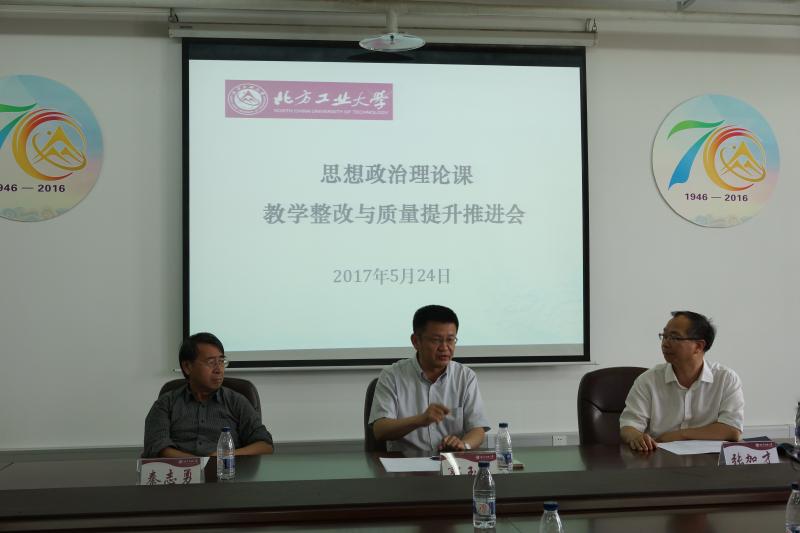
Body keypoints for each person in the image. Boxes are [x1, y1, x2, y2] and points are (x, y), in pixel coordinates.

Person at [368, 305, 490, 454]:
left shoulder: (465, 376)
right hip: (406, 464)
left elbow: (477, 429)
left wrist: (463, 445)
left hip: (450, 463)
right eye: (436, 340)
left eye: (450, 340)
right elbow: (380, 430)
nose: (444, 347)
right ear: (416, 341)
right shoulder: (392, 375)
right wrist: (420, 420)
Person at [620, 311, 744, 452]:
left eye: (674, 337)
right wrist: (636, 436)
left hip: (709, 461)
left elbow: (732, 430)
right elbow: (629, 426)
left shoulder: (726, 379)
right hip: (659, 458)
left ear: (698, 346)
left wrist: (679, 435)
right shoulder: (648, 380)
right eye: (664, 336)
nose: (665, 343)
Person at [143, 332, 273, 457]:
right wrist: (196, 464)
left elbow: (265, 444)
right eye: (211, 362)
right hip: (180, 470)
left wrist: (225, 456)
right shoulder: (166, 403)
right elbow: (156, 446)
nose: (219, 370)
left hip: (225, 470)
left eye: (221, 361)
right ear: (187, 367)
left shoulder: (236, 402)